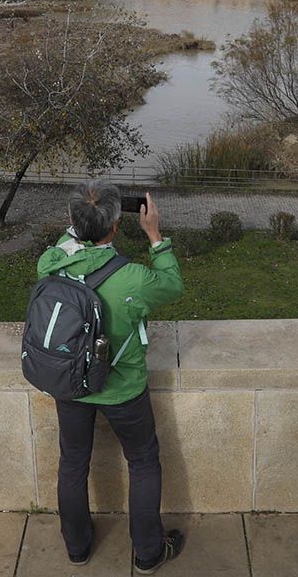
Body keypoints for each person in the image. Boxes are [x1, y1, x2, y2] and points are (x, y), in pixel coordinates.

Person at [37, 181, 185, 574]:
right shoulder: (132, 279)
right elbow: (172, 285)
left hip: (70, 383)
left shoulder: (50, 263)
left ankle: (78, 548)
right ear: (116, 227)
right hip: (122, 389)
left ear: (71, 221)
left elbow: (68, 243)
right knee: (142, 462)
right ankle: (149, 552)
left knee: (72, 464)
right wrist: (155, 235)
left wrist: (80, 225)